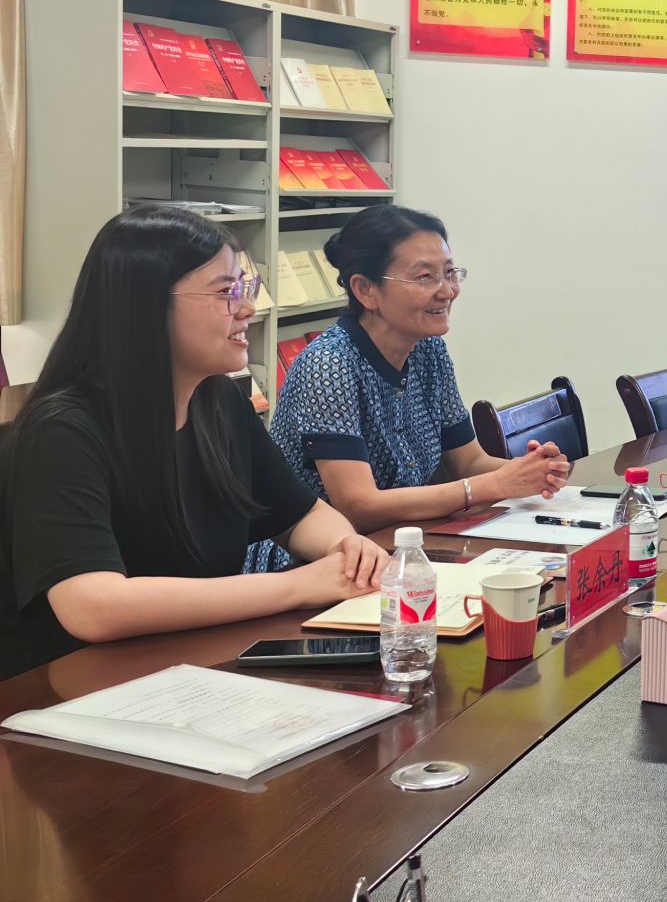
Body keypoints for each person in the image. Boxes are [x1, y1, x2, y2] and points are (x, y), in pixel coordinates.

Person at [0, 207, 387, 680]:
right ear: (145, 307)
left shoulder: (219, 399)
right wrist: (300, 585)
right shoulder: (61, 431)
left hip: (190, 666)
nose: (248, 309)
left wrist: (347, 550)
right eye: (226, 293)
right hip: (70, 688)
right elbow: (92, 607)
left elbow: (300, 515)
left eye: (244, 289)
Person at [263, 206, 571, 537]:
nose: (447, 291)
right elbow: (359, 507)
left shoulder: (429, 349)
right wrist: (494, 484)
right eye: (425, 277)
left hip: (405, 539)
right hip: (320, 554)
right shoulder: (328, 365)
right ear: (366, 290)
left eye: (450, 273)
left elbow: (468, 463)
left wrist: (530, 471)